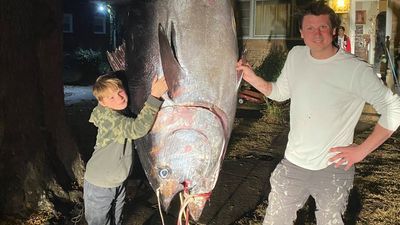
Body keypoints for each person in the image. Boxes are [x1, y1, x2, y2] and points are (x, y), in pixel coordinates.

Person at [236, 2, 400, 225]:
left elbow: (394, 108)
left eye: (323, 27)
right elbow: (279, 92)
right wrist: (251, 77)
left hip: (332, 168)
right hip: (293, 162)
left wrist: (362, 151)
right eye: (310, 28)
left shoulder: (354, 70)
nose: (317, 34)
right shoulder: (296, 56)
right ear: (302, 33)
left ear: (333, 30)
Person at [83, 73, 168, 225]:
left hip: (117, 182)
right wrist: (154, 96)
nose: (120, 98)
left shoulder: (114, 111)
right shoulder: (112, 120)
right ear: (102, 103)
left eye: (120, 92)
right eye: (112, 98)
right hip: (99, 184)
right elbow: (138, 128)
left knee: (117, 219)